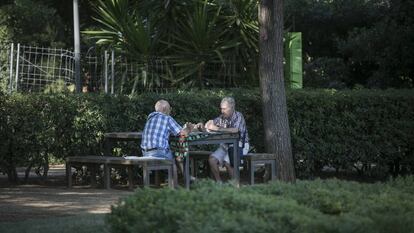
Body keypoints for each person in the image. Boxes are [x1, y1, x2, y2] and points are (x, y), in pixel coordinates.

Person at [141, 100, 193, 185]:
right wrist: (189, 128)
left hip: (145, 153)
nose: (170, 111)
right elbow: (183, 133)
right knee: (179, 154)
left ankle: (179, 178)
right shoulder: (167, 118)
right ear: (165, 109)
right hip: (158, 153)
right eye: (170, 109)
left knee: (173, 152)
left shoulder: (150, 117)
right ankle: (180, 183)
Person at [205, 97, 249, 182]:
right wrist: (208, 124)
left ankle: (235, 186)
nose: (222, 111)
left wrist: (217, 129)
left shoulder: (238, 116)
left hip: (240, 144)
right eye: (221, 109)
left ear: (232, 107)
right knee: (212, 159)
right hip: (226, 144)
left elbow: (235, 130)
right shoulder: (222, 117)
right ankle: (219, 183)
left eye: (224, 109)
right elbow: (210, 123)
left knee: (228, 163)